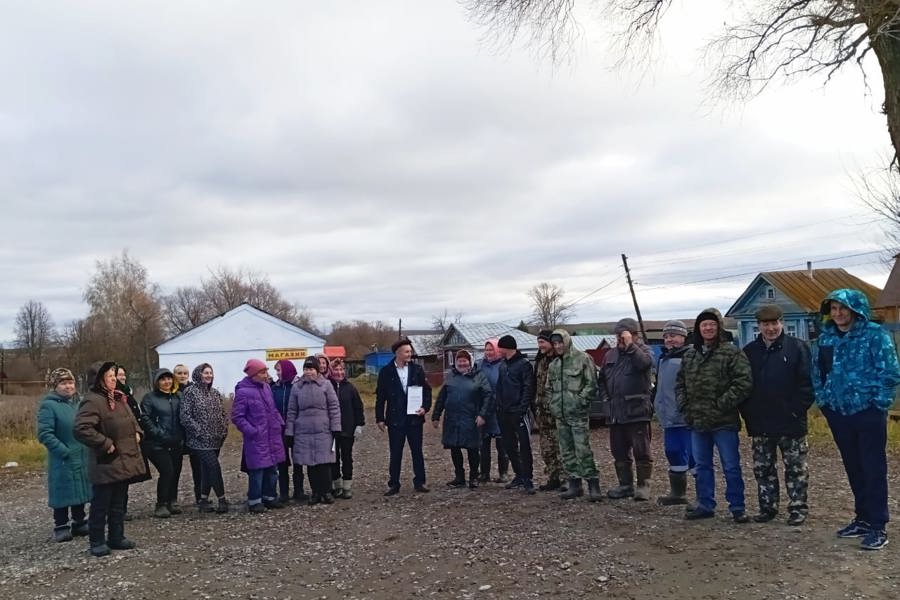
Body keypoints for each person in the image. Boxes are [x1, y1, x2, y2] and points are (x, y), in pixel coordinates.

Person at [812, 289, 900, 550]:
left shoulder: (874, 335)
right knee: (853, 466)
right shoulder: (825, 339)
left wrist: (879, 403)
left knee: (873, 468)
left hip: (868, 412)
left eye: (844, 308)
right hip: (839, 413)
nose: (838, 314)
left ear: (855, 310)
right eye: (834, 309)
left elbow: (890, 372)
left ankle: (877, 526)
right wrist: (825, 402)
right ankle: (862, 518)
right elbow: (817, 373)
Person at [740, 304, 814, 526]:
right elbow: (744, 385)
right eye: (765, 324)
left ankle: (798, 508)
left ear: (781, 323)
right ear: (759, 326)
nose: (770, 328)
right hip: (761, 422)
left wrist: (795, 410)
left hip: (791, 422)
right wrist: (749, 413)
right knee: (763, 469)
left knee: (796, 468)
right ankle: (768, 507)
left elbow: (808, 385)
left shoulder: (797, 348)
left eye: (774, 323)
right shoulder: (750, 352)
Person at [676, 308, 752, 523]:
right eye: (703, 325)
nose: (708, 328)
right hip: (697, 421)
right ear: (698, 329)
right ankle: (705, 504)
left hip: (724, 421)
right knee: (702, 466)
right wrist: (685, 407)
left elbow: (743, 383)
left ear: (718, 327)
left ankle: (737, 507)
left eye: (711, 324)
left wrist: (721, 404)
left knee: (731, 465)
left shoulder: (731, 353)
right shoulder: (690, 354)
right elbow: (680, 383)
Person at [74, 361, 147, 557]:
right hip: (106, 461)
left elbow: (133, 420)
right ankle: (97, 541)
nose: (114, 378)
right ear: (99, 380)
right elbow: (81, 429)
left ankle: (116, 537)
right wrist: (105, 444)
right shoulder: (92, 400)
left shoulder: (118, 398)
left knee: (118, 503)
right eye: (109, 376)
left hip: (123, 460)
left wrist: (138, 432)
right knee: (101, 504)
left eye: (115, 375)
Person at [599, 318, 654, 501]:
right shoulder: (610, 355)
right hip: (616, 412)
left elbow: (645, 364)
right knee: (619, 451)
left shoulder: (643, 351)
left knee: (641, 451)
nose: (619, 339)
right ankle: (625, 485)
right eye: (617, 336)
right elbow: (602, 380)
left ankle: (643, 486)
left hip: (636, 411)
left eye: (623, 335)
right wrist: (606, 399)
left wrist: (631, 346)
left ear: (633, 335)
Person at [546, 329, 602, 501]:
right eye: (555, 344)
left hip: (577, 414)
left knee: (583, 449)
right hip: (560, 415)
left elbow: (591, 384)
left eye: (560, 342)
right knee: (566, 451)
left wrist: (579, 401)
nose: (558, 346)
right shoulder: (554, 365)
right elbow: (549, 388)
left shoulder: (583, 359)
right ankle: (574, 484)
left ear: (567, 341)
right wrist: (553, 405)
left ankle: (593, 484)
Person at [36, 368, 91, 542]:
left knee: (79, 487)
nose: (68, 386)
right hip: (62, 457)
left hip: (80, 453)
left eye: (71, 382)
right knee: (62, 489)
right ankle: (61, 525)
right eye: (63, 383)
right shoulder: (49, 405)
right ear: (55, 386)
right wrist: (63, 451)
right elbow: (45, 433)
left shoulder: (78, 403)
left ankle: (79, 521)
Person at [376, 338, 432, 496]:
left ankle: (420, 481)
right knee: (395, 453)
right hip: (395, 419)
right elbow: (380, 397)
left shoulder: (417, 370)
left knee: (417, 452)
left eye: (410, 351)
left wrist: (425, 408)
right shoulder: (386, 372)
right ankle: (394, 483)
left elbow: (426, 392)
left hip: (414, 418)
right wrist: (379, 418)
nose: (410, 354)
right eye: (407, 351)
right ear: (398, 353)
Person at [432, 350, 493, 488]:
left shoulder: (479, 376)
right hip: (452, 418)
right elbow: (442, 397)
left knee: (472, 448)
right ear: (456, 362)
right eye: (459, 360)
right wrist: (436, 415)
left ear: (470, 362)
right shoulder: (450, 377)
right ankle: (459, 476)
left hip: (471, 418)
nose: (462, 363)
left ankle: (474, 477)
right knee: (454, 447)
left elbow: (488, 396)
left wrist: (483, 415)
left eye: (465, 360)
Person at [232, 359, 286, 513]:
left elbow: (273, 409)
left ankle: (270, 497)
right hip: (257, 438)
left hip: (272, 435)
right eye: (262, 372)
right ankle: (254, 501)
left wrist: (279, 423)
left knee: (272, 469)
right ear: (254, 374)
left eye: (266, 371)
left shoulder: (267, 388)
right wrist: (252, 431)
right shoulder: (243, 392)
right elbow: (237, 417)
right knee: (257, 471)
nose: (266, 375)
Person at [286, 357, 342, 505]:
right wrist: (289, 432)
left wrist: (336, 428)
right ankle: (315, 492)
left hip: (323, 430)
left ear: (317, 370)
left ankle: (327, 492)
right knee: (310, 464)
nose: (308, 372)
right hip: (303, 431)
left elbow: (334, 408)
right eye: (306, 369)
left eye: (311, 369)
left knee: (324, 464)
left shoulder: (326, 385)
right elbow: (291, 411)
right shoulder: (297, 387)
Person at [180, 363, 230, 513]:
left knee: (207, 469)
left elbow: (222, 413)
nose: (209, 375)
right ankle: (222, 500)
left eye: (210, 373)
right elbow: (185, 416)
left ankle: (203, 500)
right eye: (205, 373)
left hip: (216, 440)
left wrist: (224, 430)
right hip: (199, 440)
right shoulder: (190, 392)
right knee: (214, 467)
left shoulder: (215, 393)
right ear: (198, 374)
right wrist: (199, 431)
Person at [653, 320, 693, 506]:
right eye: (667, 336)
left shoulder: (689, 356)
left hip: (685, 417)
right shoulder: (663, 358)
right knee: (673, 452)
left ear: (683, 337)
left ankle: (704, 497)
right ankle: (678, 494)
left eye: (673, 336)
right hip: (668, 417)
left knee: (693, 457)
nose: (669, 339)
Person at [140, 368, 184, 518]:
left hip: (176, 441)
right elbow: (145, 419)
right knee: (167, 471)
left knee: (176, 472)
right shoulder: (149, 398)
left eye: (169, 378)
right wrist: (159, 434)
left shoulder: (179, 396)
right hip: (156, 444)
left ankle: (172, 500)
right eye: (163, 379)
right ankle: (161, 503)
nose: (167, 382)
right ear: (157, 382)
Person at [495, 335, 536, 495]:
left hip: (518, 412)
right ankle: (518, 475)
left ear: (507, 347)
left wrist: (522, 409)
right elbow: (499, 387)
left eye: (500, 347)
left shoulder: (524, 365)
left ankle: (528, 478)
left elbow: (528, 388)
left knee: (524, 446)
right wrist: (498, 405)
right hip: (503, 412)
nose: (499, 350)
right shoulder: (503, 365)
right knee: (509, 446)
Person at [116, 366, 150, 521]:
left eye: (124, 374)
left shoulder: (127, 393)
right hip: (120, 440)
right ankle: (116, 510)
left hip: (133, 439)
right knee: (119, 477)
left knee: (125, 477)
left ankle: (122, 508)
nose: (122, 377)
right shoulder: (114, 396)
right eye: (118, 375)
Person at [329, 358, 365, 499]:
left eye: (341, 369)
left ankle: (347, 485)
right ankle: (336, 485)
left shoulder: (350, 388)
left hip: (347, 429)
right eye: (336, 370)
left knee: (347, 458)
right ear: (332, 371)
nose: (339, 372)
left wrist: (359, 425)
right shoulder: (327, 387)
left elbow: (358, 407)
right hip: (332, 430)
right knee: (334, 459)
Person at [272, 359, 307, 502]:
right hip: (280, 430)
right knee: (282, 462)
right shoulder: (275, 388)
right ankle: (284, 493)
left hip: (297, 429)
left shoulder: (299, 386)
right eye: (276, 371)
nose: (278, 373)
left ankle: (299, 491)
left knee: (298, 461)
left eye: (279, 370)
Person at [533, 330, 564, 491]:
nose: (540, 346)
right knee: (547, 449)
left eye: (542, 342)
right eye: (538, 343)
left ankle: (566, 480)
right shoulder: (541, 361)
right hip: (542, 412)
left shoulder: (560, 361)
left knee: (561, 447)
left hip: (557, 411)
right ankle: (553, 478)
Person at [476, 338, 509, 483]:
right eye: (486, 350)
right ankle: (484, 473)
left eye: (491, 349)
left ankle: (503, 473)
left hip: (499, 408)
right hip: (483, 408)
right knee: (483, 443)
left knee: (502, 443)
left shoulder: (503, 364)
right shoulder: (479, 364)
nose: (488, 352)